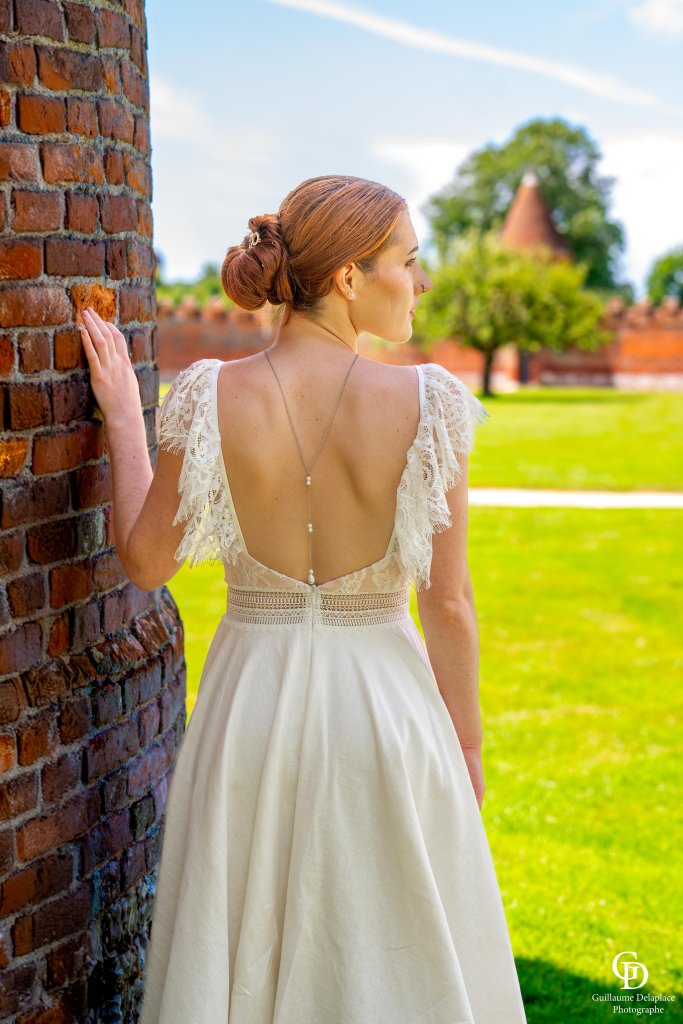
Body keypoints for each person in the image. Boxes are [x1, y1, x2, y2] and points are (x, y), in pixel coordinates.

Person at [78, 174, 527, 1023]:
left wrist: (126, 425)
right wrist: (464, 745)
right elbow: (450, 604)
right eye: (409, 260)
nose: (421, 282)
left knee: (243, 943)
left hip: (250, 707)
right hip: (388, 714)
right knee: (393, 951)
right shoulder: (429, 404)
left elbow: (143, 561)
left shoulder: (207, 395)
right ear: (351, 277)